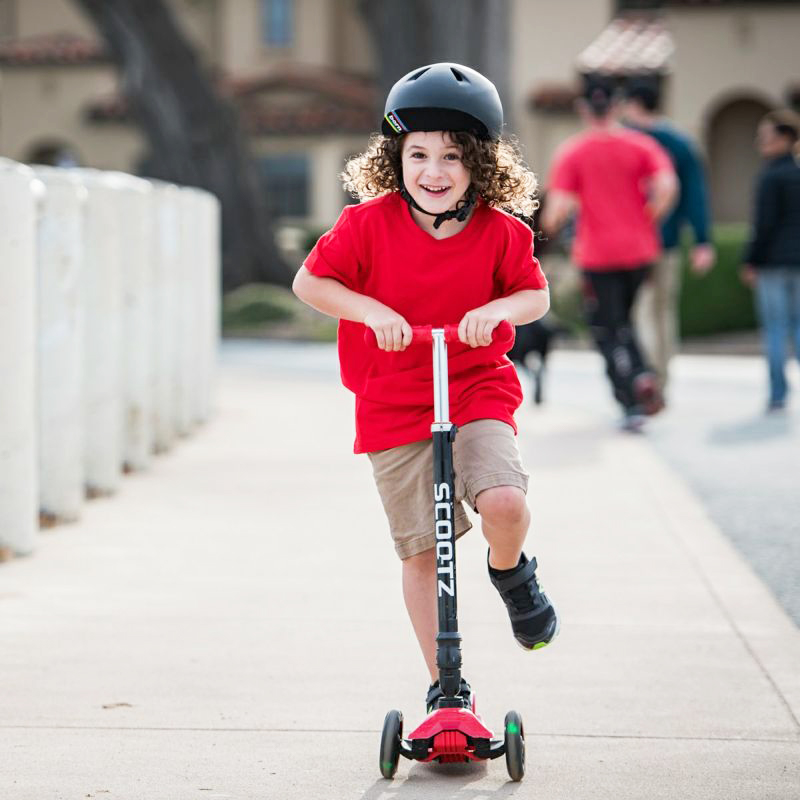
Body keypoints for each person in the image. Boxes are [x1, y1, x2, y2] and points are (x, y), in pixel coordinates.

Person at [292, 63, 559, 712]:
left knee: (503, 503)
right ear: (395, 158)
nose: (433, 172)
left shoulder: (501, 231)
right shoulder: (367, 225)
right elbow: (311, 284)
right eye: (418, 155)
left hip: (474, 387)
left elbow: (535, 295)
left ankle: (510, 571)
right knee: (422, 551)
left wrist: (499, 311)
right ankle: (447, 686)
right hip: (391, 398)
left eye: (451, 156)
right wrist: (371, 311)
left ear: (479, 166)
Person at [541, 78, 678, 431]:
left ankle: (630, 394)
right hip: (638, 251)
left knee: (606, 327)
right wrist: (648, 218)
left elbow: (556, 211)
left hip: (598, 255)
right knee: (625, 320)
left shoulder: (573, 152)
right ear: (616, 107)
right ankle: (642, 376)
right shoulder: (642, 146)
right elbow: (666, 187)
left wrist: (550, 230)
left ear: (584, 109)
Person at [622, 82, 715, 394]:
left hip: (633, 243)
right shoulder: (680, 142)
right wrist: (703, 240)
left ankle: (646, 378)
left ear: (634, 104)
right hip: (669, 241)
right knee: (664, 310)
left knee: (642, 310)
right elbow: (695, 195)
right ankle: (661, 379)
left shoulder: (627, 141)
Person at [740, 109, 800, 412]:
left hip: (774, 263)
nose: (762, 142)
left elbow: (763, 226)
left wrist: (750, 261)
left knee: (776, 328)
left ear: (785, 138)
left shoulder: (770, 177)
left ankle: (778, 393)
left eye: (767, 136)